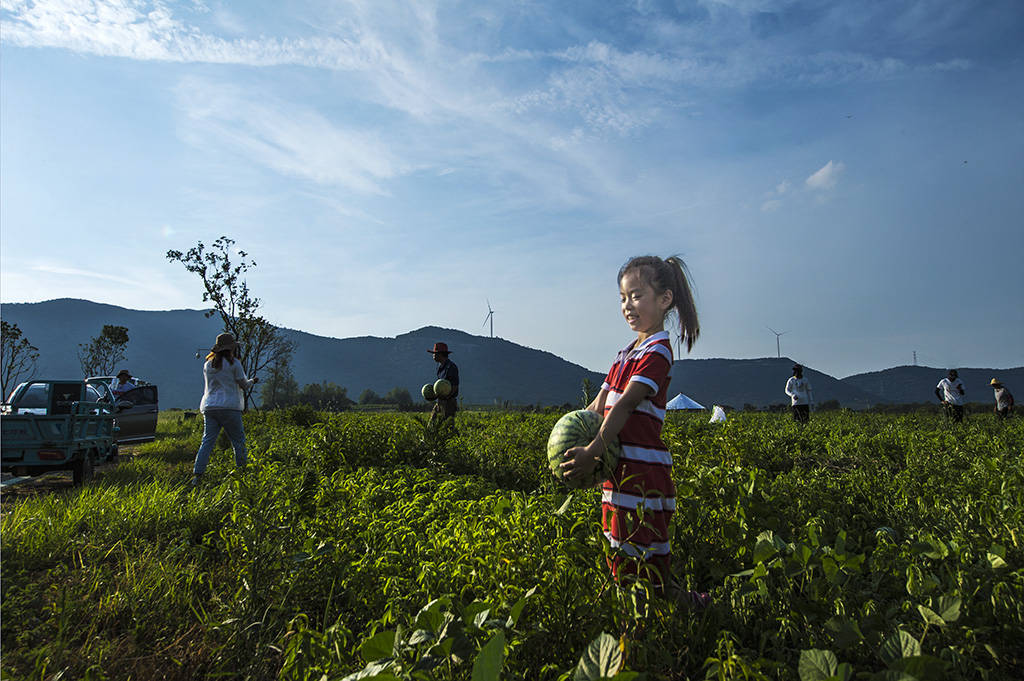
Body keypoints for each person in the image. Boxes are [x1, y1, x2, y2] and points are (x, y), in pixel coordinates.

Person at [560, 255, 709, 608]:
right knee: (619, 545)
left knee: (648, 553)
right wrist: (569, 439)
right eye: (623, 298)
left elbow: (625, 405)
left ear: (665, 300)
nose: (628, 306)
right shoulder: (625, 352)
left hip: (642, 472)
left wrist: (593, 450)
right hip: (616, 469)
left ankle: (681, 607)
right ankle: (635, 611)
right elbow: (598, 406)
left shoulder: (657, 351)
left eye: (637, 296)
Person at [191, 333, 257, 486]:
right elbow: (244, 385)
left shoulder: (208, 364)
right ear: (231, 347)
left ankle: (197, 475)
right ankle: (242, 474)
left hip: (210, 406)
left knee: (207, 441)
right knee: (238, 441)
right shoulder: (234, 363)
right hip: (230, 407)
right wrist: (253, 381)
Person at [428, 342, 459, 423]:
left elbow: (455, 386)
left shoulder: (451, 367)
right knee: (432, 423)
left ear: (441, 354)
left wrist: (446, 397)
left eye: (435, 353)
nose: (433, 355)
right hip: (441, 401)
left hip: (449, 403)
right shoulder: (440, 367)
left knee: (447, 426)